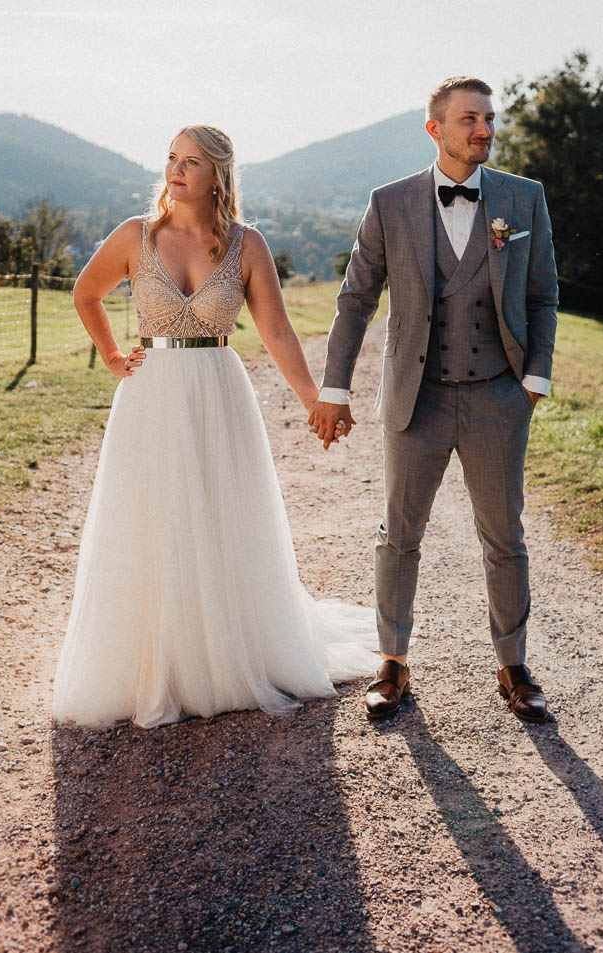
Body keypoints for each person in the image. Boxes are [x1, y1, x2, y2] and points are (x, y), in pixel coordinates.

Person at [50, 124, 379, 729]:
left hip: (219, 389)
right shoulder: (134, 236)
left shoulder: (246, 245)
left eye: (192, 162)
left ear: (217, 175)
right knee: (154, 521)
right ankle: (160, 663)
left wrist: (315, 401)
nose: (177, 170)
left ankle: (226, 656)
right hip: (150, 395)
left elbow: (277, 331)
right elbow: (85, 293)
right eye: (172, 159)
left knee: (220, 516)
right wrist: (112, 356)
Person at [309, 76, 560, 723]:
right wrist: (334, 388)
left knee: (504, 535)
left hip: (498, 398)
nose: (484, 129)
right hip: (414, 400)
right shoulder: (389, 203)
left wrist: (535, 377)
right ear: (436, 129)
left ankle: (513, 664)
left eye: (488, 119)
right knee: (400, 534)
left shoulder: (523, 199)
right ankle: (392, 662)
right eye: (469, 119)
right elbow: (356, 298)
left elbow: (542, 294)